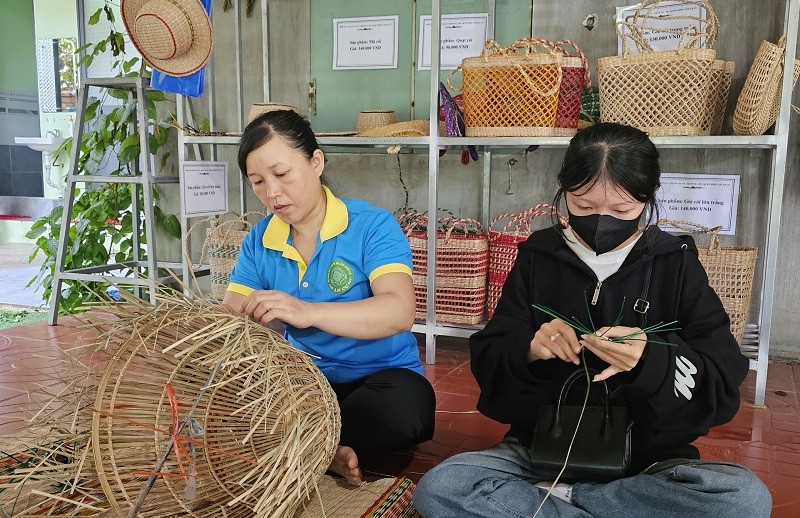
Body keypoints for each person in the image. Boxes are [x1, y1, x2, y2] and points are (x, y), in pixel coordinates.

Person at [413, 123, 771, 517]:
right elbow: (493, 353)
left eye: (622, 210)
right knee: (442, 489)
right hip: (543, 449)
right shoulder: (538, 255)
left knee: (744, 500)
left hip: (649, 461)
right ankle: (610, 508)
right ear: (564, 191)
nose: (602, 221)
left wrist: (650, 359)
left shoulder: (676, 262)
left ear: (648, 197)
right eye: (583, 206)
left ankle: (568, 499)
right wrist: (530, 350)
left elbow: (721, 372)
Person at [222, 109, 435, 486]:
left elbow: (399, 310)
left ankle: (306, 444)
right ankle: (325, 450)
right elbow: (233, 317)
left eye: (282, 174)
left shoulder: (371, 225)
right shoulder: (259, 240)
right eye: (258, 182)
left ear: (316, 162)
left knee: (404, 409)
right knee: (231, 403)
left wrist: (309, 312)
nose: (272, 193)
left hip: (378, 378)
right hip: (303, 383)